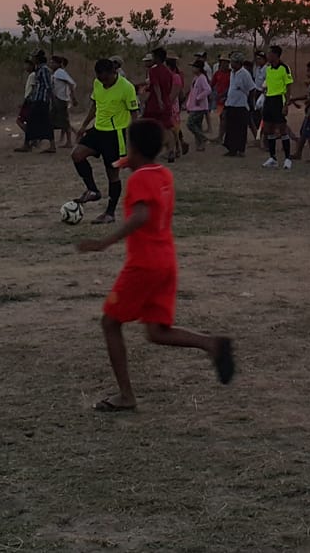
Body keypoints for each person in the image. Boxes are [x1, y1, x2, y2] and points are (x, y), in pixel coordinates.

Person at [74, 120, 235, 411]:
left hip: (144, 265)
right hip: (165, 262)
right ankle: (212, 344)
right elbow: (145, 175)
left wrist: (104, 242)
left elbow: (140, 216)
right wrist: (129, 162)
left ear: (134, 147)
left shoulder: (138, 180)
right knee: (157, 331)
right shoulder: (162, 173)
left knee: (110, 323)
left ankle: (126, 396)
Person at [73, 57, 139, 224]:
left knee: (112, 175)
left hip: (116, 135)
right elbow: (94, 105)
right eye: (100, 79)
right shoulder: (98, 83)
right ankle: (93, 190)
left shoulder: (127, 87)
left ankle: (109, 213)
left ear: (113, 72)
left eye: (106, 79)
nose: (103, 82)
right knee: (77, 155)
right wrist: (83, 126)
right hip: (98, 130)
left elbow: (134, 114)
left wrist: (135, 140)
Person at [259, 45, 295, 170]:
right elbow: (267, 85)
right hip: (269, 99)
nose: (267, 56)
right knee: (268, 129)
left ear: (275, 55)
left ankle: (287, 158)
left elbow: (289, 87)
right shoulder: (268, 68)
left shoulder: (284, 68)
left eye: (269, 54)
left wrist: (286, 104)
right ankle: (273, 158)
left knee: (282, 129)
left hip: (279, 100)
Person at [16, 51, 55, 154]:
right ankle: (46, 144)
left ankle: (28, 144)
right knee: (40, 122)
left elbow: (48, 86)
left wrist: (51, 100)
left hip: (41, 101)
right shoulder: (40, 70)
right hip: (38, 100)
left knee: (36, 121)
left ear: (37, 59)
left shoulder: (44, 70)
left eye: (33, 58)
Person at [222, 54, 254, 157]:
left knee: (240, 128)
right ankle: (232, 149)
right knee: (230, 128)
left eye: (233, 62)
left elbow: (251, 88)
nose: (231, 64)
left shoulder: (245, 74)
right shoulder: (232, 73)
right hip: (231, 103)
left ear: (238, 63)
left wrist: (250, 103)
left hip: (241, 105)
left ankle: (241, 149)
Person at [183, 55, 213, 152]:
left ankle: (202, 137)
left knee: (190, 124)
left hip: (200, 106)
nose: (193, 69)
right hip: (195, 106)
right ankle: (200, 145)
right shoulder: (196, 78)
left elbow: (208, 90)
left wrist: (198, 97)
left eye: (194, 67)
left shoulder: (202, 78)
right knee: (198, 124)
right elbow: (192, 92)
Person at [51, 54, 78, 148]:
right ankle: (72, 137)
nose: (51, 64)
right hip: (58, 99)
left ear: (58, 64)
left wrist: (73, 97)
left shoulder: (60, 72)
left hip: (61, 99)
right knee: (63, 121)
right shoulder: (56, 73)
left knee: (65, 121)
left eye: (53, 63)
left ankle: (70, 141)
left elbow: (71, 83)